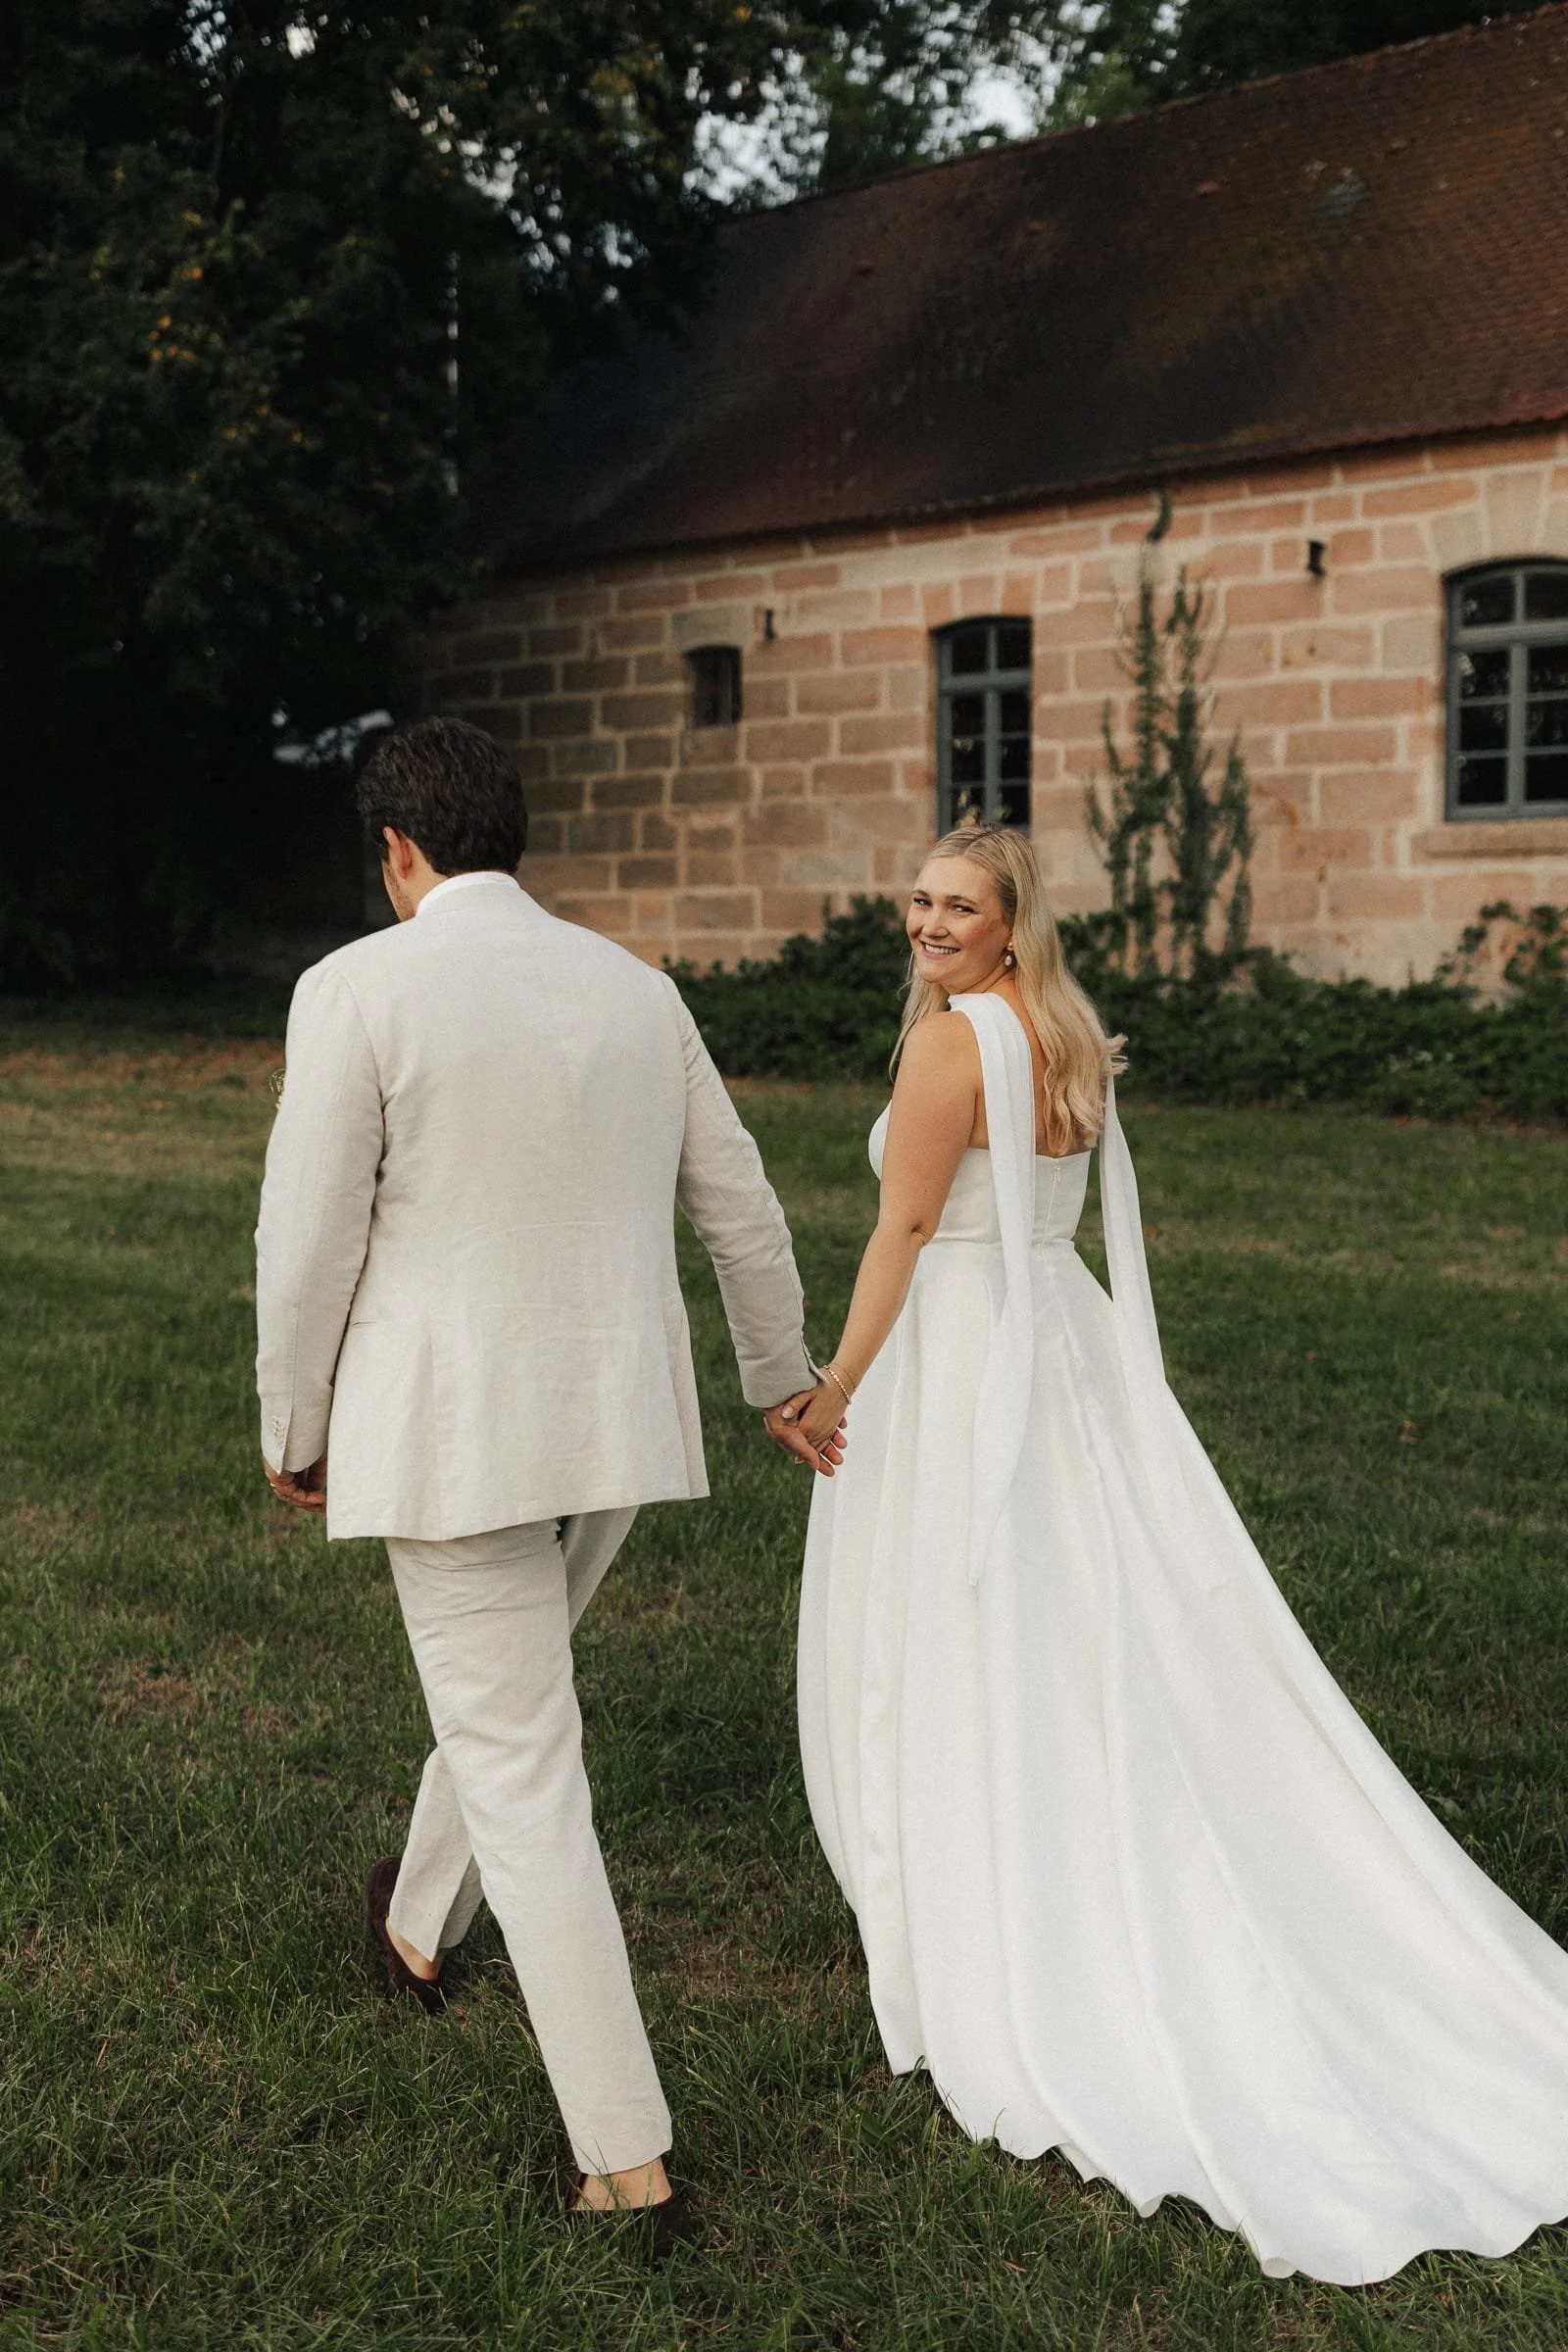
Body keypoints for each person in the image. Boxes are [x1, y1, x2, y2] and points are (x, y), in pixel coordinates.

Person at [786, 822, 1568, 2286]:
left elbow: (908, 1226)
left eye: (959, 907)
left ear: (1011, 924)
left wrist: (836, 1385)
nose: (928, 924)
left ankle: (992, 1874)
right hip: (1061, 1342)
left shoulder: (953, 1043)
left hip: (965, 1355)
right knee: (1093, 1605)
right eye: (918, 900)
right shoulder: (1066, 1035)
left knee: (967, 1612)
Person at [255, 715, 839, 2255]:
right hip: (611, 1427)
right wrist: (777, 1372)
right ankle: (414, 1926)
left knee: (524, 1763)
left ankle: (627, 2159)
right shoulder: (635, 989)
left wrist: (292, 1422)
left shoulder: (355, 987)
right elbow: (743, 1206)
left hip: (458, 1439)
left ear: (398, 848)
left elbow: (306, 1244)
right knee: (513, 1710)